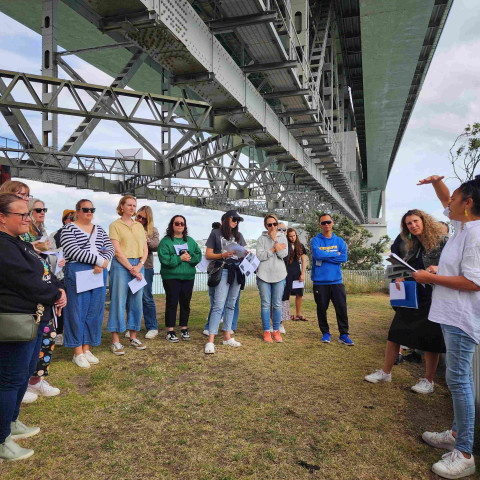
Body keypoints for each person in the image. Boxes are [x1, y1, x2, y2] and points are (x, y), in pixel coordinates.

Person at [414, 175, 480, 479]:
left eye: (455, 198)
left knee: (460, 381)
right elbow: (445, 201)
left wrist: (432, 278)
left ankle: (464, 452)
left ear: (467, 204)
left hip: (462, 318)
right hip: (450, 314)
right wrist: (437, 183)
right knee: (457, 380)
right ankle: (456, 433)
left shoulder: (476, 233)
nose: (448, 202)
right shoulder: (463, 225)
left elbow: (473, 282)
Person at [0, 193, 66, 461]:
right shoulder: (4, 246)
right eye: (22, 214)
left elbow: (42, 274)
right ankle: (2, 438)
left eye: (28, 214)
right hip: (15, 320)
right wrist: (55, 294)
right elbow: (26, 281)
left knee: (22, 374)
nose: (28, 219)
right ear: (2, 218)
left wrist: (55, 289)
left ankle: (12, 422)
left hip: (32, 318)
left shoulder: (19, 243)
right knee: (10, 379)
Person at [364, 209, 448, 393]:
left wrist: (439, 267)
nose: (413, 225)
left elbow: (455, 264)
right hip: (410, 294)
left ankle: (428, 381)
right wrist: (399, 275)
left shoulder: (442, 240)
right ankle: (386, 373)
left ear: (424, 221)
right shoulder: (407, 241)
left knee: (431, 340)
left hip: (432, 295)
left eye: (416, 221)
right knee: (395, 333)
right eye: (409, 223)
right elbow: (400, 262)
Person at [61, 199, 115, 368]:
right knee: (77, 312)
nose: (89, 212)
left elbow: (110, 247)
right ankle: (77, 351)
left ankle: (87, 347)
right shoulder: (68, 229)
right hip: (78, 272)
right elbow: (72, 251)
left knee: (94, 311)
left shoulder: (99, 229)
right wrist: (99, 260)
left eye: (92, 209)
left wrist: (104, 260)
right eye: (85, 209)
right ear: (77, 211)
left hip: (98, 273)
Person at [23, 198, 61, 401]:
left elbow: (51, 258)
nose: (42, 212)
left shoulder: (43, 233)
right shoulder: (22, 235)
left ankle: (37, 381)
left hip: (48, 286)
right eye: (38, 209)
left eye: (44, 209)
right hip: (31, 292)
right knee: (31, 338)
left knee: (48, 335)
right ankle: (24, 383)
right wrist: (33, 247)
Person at [107, 195, 148, 355]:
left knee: (137, 301)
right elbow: (117, 251)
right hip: (121, 266)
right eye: (129, 205)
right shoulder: (114, 225)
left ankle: (133, 337)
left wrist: (139, 265)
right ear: (122, 206)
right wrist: (132, 268)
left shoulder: (139, 226)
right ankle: (116, 341)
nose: (132, 208)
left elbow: (145, 248)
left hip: (138, 265)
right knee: (118, 300)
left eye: (134, 205)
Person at [204, 210, 246, 354]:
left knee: (231, 304)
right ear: (227, 219)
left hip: (236, 271)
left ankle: (227, 336)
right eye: (234, 219)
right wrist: (222, 254)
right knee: (218, 305)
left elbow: (243, 253)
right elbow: (208, 254)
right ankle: (210, 340)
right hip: (222, 270)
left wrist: (244, 254)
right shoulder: (216, 233)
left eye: (238, 220)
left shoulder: (239, 236)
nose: (236, 222)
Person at [311, 213, 354, 345]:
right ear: (320, 225)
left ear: (332, 223)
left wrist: (325, 256)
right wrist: (335, 254)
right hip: (320, 282)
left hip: (336, 281)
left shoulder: (339, 241)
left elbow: (344, 258)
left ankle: (344, 335)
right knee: (321, 309)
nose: (326, 225)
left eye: (328, 222)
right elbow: (317, 254)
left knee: (341, 308)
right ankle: (325, 333)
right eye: (323, 223)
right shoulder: (315, 240)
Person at [158, 215, 201, 342]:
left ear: (185, 226)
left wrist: (190, 258)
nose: (180, 225)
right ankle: (170, 330)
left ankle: (184, 328)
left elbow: (198, 255)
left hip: (188, 276)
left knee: (185, 303)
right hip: (171, 277)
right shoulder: (165, 241)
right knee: (172, 303)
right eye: (177, 223)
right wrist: (179, 258)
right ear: (172, 225)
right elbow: (164, 259)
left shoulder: (190, 241)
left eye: (182, 223)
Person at [256, 214, 288, 343]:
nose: (273, 227)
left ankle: (276, 330)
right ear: (266, 225)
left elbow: (283, 254)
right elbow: (260, 256)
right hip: (263, 275)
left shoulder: (282, 237)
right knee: (265, 305)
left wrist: (275, 241)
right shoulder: (260, 239)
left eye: (275, 224)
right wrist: (273, 249)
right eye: (270, 225)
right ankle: (266, 331)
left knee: (277, 304)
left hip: (279, 275)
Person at [51, 209, 75, 346]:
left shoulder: (81, 233)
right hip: (60, 275)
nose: (72, 220)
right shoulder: (55, 235)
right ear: (64, 219)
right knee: (60, 303)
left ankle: (72, 333)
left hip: (76, 275)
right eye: (69, 218)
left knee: (74, 305)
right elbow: (50, 253)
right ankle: (59, 332)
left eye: (74, 218)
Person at [136, 206, 160, 339]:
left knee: (146, 297)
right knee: (132, 297)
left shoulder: (152, 230)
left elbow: (156, 246)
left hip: (146, 267)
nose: (140, 220)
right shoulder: (131, 227)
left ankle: (152, 326)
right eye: (138, 216)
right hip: (131, 266)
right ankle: (133, 326)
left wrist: (147, 239)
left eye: (143, 219)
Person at [283, 227, 307, 321]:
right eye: (290, 236)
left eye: (294, 236)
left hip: (297, 272)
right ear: (287, 237)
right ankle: (287, 313)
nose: (293, 238)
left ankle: (298, 314)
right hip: (286, 272)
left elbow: (304, 261)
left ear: (296, 235)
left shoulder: (300, 246)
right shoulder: (285, 245)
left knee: (299, 293)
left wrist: (302, 274)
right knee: (287, 293)